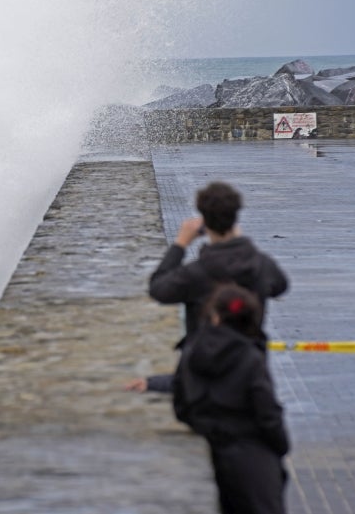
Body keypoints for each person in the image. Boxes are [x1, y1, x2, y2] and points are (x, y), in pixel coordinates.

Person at [178, 284, 289, 514]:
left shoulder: (192, 349)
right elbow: (267, 410)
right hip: (252, 451)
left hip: (215, 443)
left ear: (214, 315)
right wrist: (280, 445)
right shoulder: (250, 356)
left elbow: (181, 402)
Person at [149, 181, 288, 342]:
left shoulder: (195, 273)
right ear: (235, 217)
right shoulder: (261, 265)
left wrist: (180, 244)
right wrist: (242, 244)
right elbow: (280, 286)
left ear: (204, 223)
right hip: (249, 361)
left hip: (204, 361)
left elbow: (158, 289)